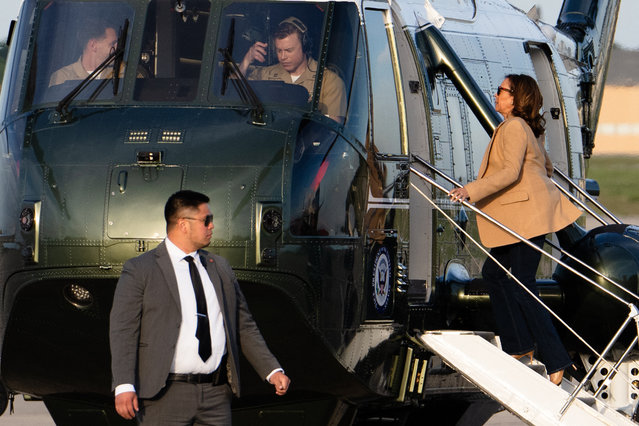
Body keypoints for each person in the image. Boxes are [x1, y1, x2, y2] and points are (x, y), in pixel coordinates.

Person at [110, 190, 290, 424]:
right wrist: (124, 384)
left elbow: (242, 324)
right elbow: (123, 330)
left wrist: (272, 370)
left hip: (216, 395)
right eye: (206, 220)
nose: (212, 226)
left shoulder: (220, 267)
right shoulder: (140, 269)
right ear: (183, 224)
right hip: (164, 396)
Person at [448, 74, 581, 385]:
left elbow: (509, 172)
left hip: (529, 217)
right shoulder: (527, 129)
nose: (495, 94)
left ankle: (557, 358)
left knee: (521, 283)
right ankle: (519, 346)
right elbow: (544, 168)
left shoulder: (513, 127)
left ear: (516, 97)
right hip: (528, 215)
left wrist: (471, 190)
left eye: (501, 90)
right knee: (495, 275)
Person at [239, 16, 346, 121]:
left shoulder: (329, 82)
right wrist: (246, 61)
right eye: (279, 50)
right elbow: (232, 93)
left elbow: (331, 129)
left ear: (305, 46)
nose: (282, 57)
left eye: (289, 50)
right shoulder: (265, 74)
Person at [49, 21, 118, 87]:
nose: (117, 47)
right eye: (112, 44)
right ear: (93, 45)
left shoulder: (121, 72)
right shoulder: (62, 77)